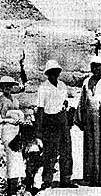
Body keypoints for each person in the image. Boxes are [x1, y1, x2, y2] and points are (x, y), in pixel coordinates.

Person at [36, 60, 78, 189]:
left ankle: (66, 179)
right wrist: (39, 129)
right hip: (49, 121)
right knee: (50, 151)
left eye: (56, 71)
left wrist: (66, 108)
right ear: (47, 73)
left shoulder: (62, 86)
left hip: (62, 119)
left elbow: (65, 101)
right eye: (51, 72)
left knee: (66, 150)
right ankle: (47, 180)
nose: (54, 74)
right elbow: (40, 109)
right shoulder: (43, 87)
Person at [0, 76, 26, 196]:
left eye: (10, 85)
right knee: (12, 161)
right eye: (5, 85)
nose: (8, 87)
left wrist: (20, 119)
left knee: (18, 161)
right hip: (7, 131)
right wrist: (9, 120)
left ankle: (15, 191)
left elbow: (19, 114)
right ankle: (10, 193)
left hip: (17, 131)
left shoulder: (15, 100)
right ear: (1, 87)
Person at [74, 55, 101, 186]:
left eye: (98, 66)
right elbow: (82, 101)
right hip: (90, 118)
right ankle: (91, 177)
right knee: (90, 146)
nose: (96, 69)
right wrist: (81, 118)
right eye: (93, 66)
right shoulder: (86, 81)